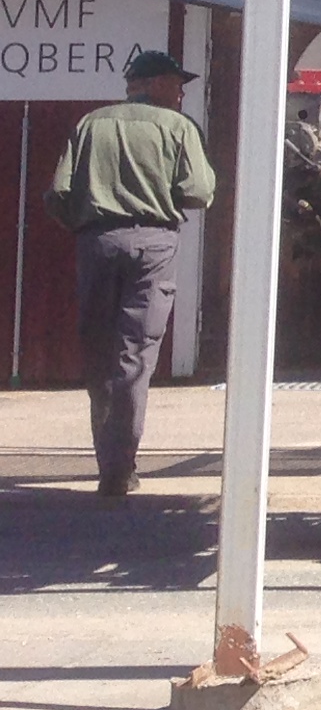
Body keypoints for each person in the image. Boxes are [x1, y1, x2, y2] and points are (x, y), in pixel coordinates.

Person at [49, 46, 217, 500]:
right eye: (176, 84)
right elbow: (200, 192)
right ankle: (121, 467)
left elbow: (59, 193)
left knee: (100, 353)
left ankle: (111, 464)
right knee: (135, 355)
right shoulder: (179, 127)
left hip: (98, 240)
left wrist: (86, 226)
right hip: (154, 243)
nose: (180, 94)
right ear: (151, 84)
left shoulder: (90, 124)